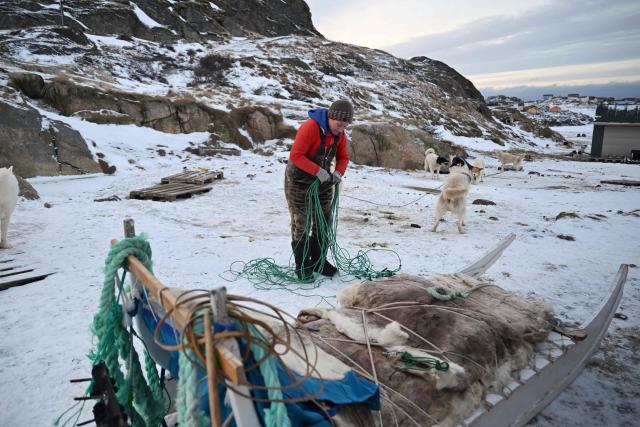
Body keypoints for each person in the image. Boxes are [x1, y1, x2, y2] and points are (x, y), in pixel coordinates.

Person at [284, 99, 353, 280]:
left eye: (344, 126)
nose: (340, 129)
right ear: (331, 117)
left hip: (323, 183)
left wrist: (338, 172)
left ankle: (319, 260)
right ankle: (302, 264)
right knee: (302, 222)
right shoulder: (310, 128)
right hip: (298, 182)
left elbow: (343, 157)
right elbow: (296, 155)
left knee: (324, 220)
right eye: (338, 125)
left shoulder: (340, 135)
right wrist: (317, 171)